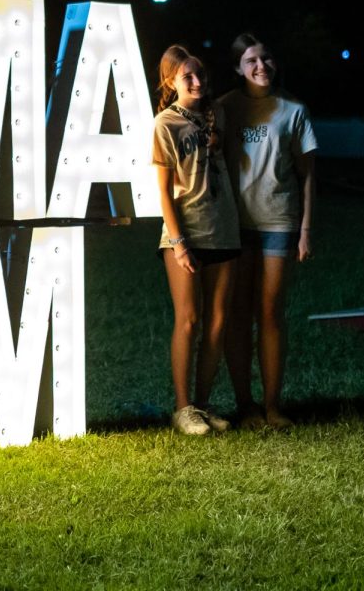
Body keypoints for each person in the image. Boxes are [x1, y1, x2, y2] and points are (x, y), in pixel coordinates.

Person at [220, 34, 317, 430]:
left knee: (271, 314)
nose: (261, 66)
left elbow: (308, 174)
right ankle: (246, 406)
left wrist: (306, 229)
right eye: (251, 60)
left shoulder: (293, 109)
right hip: (234, 225)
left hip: (279, 221)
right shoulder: (225, 108)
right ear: (238, 68)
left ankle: (274, 406)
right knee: (238, 316)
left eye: (266, 58)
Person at [153, 46, 240, 435]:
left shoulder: (216, 114)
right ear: (171, 81)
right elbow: (163, 193)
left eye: (200, 74)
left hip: (223, 228)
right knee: (188, 320)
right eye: (187, 76)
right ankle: (182, 407)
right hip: (186, 232)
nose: (197, 81)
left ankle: (203, 405)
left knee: (217, 323)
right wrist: (178, 242)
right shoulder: (165, 124)